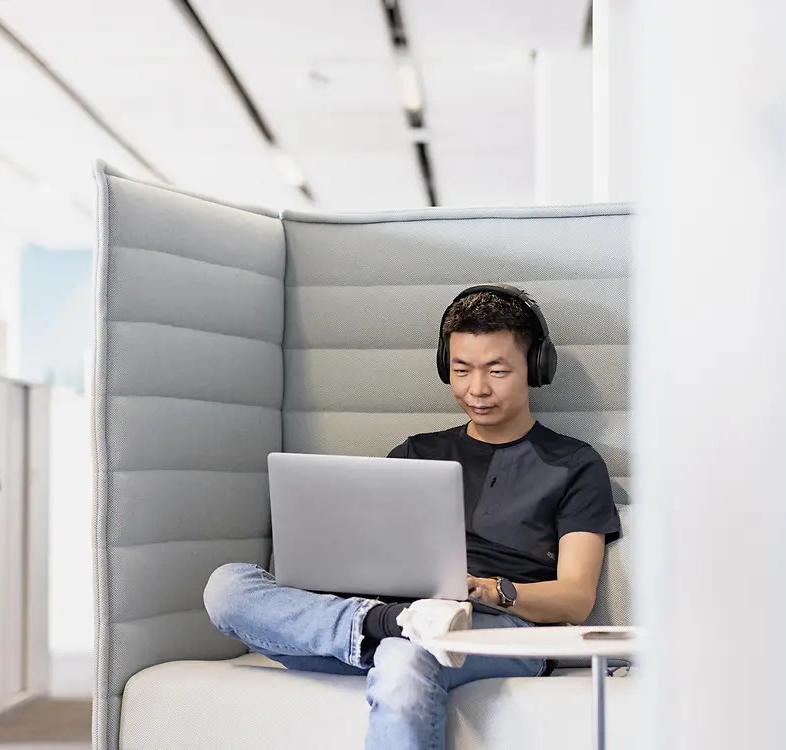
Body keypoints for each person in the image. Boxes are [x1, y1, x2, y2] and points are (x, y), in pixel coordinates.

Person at [203, 284, 621, 750]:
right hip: (395, 613)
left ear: (536, 369)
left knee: (404, 659)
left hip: (500, 630)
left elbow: (575, 598)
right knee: (227, 587)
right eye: (461, 370)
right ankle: (387, 622)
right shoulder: (416, 452)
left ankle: (386, 630)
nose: (476, 389)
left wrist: (489, 589)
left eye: (497, 371)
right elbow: (370, 550)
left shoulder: (575, 464)